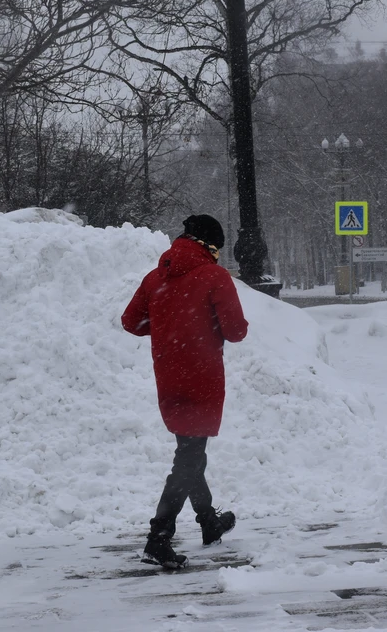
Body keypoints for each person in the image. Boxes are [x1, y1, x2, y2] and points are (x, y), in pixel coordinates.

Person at [121, 214, 249, 568]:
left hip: (169, 374)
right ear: (209, 246)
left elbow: (131, 321)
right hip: (203, 376)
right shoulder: (213, 276)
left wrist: (167, 327)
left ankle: (208, 522)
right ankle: (158, 537)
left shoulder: (155, 277)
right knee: (189, 458)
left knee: (190, 452)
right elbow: (236, 331)